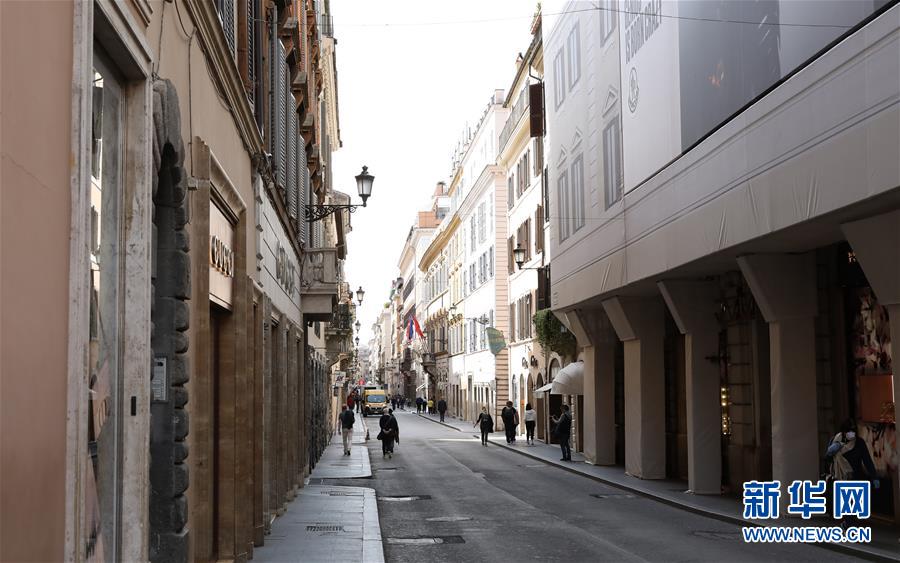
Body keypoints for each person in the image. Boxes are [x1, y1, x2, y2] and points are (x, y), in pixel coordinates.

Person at [825, 419, 880, 527]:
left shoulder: (859, 443)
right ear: (843, 432)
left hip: (854, 477)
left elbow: (867, 460)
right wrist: (830, 452)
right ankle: (848, 524)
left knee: (852, 504)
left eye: (853, 431)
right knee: (844, 504)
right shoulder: (835, 441)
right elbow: (828, 459)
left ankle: (849, 524)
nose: (852, 434)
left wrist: (874, 476)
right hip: (838, 478)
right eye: (849, 431)